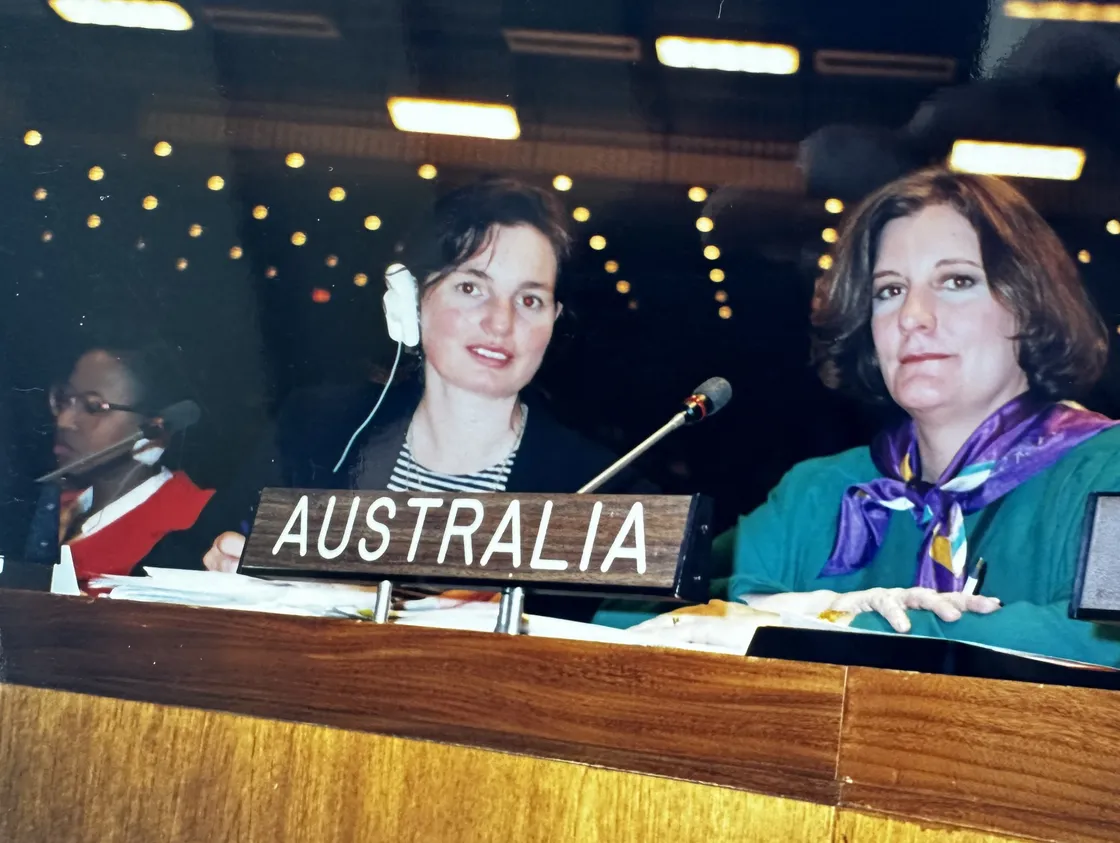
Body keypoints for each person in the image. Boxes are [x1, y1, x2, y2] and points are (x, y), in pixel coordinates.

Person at [599, 167, 1120, 667]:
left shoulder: (1107, 471)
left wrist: (828, 632)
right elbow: (622, 614)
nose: (913, 316)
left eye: (957, 281)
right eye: (889, 291)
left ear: (1028, 306)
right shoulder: (818, 494)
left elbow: (1105, 644)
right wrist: (783, 612)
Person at [147, 177, 651, 620]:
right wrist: (221, 569)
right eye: (472, 287)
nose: (502, 322)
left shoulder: (598, 487)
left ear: (553, 321)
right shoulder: (317, 429)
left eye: (530, 299)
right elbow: (173, 565)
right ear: (411, 302)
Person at [23, 345, 213, 589]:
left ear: (155, 428)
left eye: (93, 406)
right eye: (64, 399)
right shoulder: (46, 507)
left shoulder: (194, 520)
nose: (64, 421)